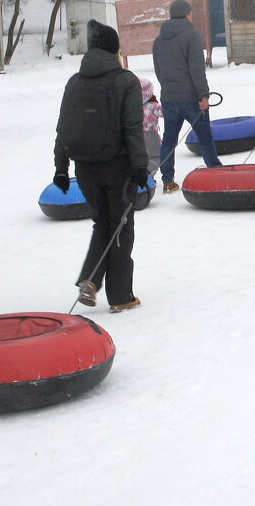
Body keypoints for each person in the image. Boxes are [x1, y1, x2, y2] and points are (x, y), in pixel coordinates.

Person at [53, 20, 148, 314]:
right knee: (121, 228)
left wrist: (60, 167)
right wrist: (140, 165)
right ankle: (121, 296)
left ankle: (90, 279)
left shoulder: (75, 81)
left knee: (103, 224)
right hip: (117, 167)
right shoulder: (125, 81)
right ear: (113, 48)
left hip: (84, 168)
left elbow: (63, 128)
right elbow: (133, 128)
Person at [153, 0, 220, 195]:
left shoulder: (158, 41)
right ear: (187, 15)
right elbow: (197, 70)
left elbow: (158, 71)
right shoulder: (191, 36)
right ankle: (215, 171)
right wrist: (203, 94)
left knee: (169, 140)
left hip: (169, 98)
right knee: (204, 136)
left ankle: (167, 180)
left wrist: (168, 88)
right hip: (191, 98)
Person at [138, 77, 161, 180]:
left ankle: (139, 174)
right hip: (150, 134)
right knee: (155, 156)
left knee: (139, 157)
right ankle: (147, 174)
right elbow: (164, 112)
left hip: (135, 135)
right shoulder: (152, 105)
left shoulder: (131, 107)